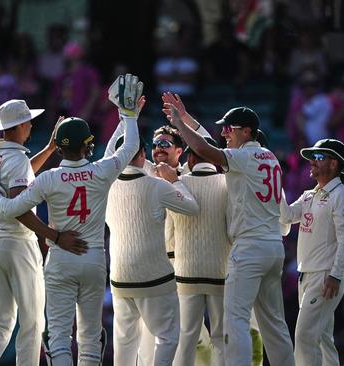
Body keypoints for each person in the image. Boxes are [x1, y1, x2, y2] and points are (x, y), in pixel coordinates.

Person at [0, 74, 143, 366]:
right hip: (93, 256)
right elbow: (129, 147)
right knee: (91, 335)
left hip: (60, 258)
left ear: (58, 148)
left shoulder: (48, 179)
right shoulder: (101, 171)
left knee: (58, 335)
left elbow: (12, 209)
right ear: (88, 145)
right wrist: (128, 115)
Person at [166, 104, 295, 366]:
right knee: (275, 325)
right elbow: (212, 145)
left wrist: (179, 124)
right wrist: (186, 117)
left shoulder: (244, 158)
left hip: (249, 249)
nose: (225, 133)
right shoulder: (269, 157)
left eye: (229, 129)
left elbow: (204, 150)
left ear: (247, 131)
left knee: (234, 320)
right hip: (273, 247)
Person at [0, 99, 85, 366]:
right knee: (33, 322)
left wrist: (48, 149)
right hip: (17, 245)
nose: (31, 125)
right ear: (20, 125)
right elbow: (19, 208)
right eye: (28, 121)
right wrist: (54, 236)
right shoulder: (17, 159)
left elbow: (21, 177)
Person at [105, 135, 199, 365]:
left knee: (125, 342)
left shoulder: (104, 185)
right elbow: (192, 208)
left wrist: (127, 116)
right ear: (142, 155)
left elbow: (109, 153)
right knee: (167, 336)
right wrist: (174, 181)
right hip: (154, 277)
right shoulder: (157, 186)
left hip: (119, 278)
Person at [279, 138, 344, 365]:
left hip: (325, 276)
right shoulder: (309, 195)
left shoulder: (343, 196)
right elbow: (286, 217)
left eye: (318, 157)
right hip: (307, 276)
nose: (311, 162)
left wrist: (335, 274)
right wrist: (276, 184)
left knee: (305, 336)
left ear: (334, 164)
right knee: (323, 339)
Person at [166, 136, 229, 366]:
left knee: (186, 338)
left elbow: (169, 234)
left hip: (186, 272)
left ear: (190, 158)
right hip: (220, 272)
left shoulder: (177, 184)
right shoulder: (226, 183)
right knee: (221, 338)